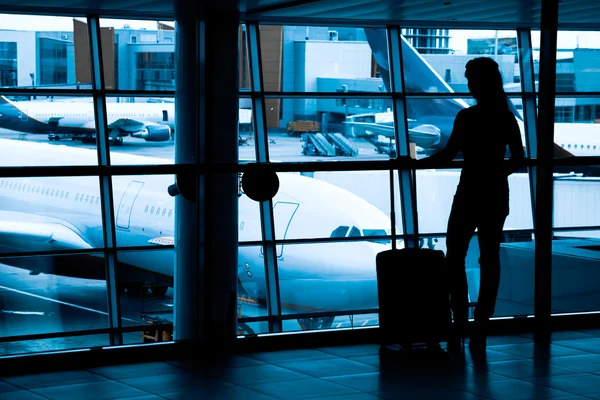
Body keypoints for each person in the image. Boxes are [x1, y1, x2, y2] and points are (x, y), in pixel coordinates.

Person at [419, 57, 525, 352]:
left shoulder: (467, 118)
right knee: (489, 259)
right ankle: (481, 323)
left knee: (455, 258)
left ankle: (459, 321)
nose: (469, 85)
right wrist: (495, 172)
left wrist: (414, 164)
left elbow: (448, 154)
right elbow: (517, 158)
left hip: (467, 193)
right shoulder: (505, 118)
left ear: (480, 83)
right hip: (495, 194)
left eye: (471, 79)